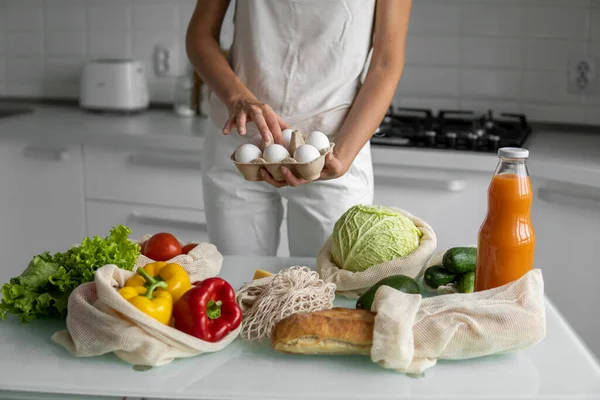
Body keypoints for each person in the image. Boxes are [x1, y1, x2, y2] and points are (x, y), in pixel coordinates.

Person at [186, 0, 412, 257]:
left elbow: (386, 62)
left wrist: (344, 157)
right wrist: (239, 99)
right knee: (237, 279)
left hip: (334, 144)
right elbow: (200, 35)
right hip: (242, 138)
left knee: (325, 286)